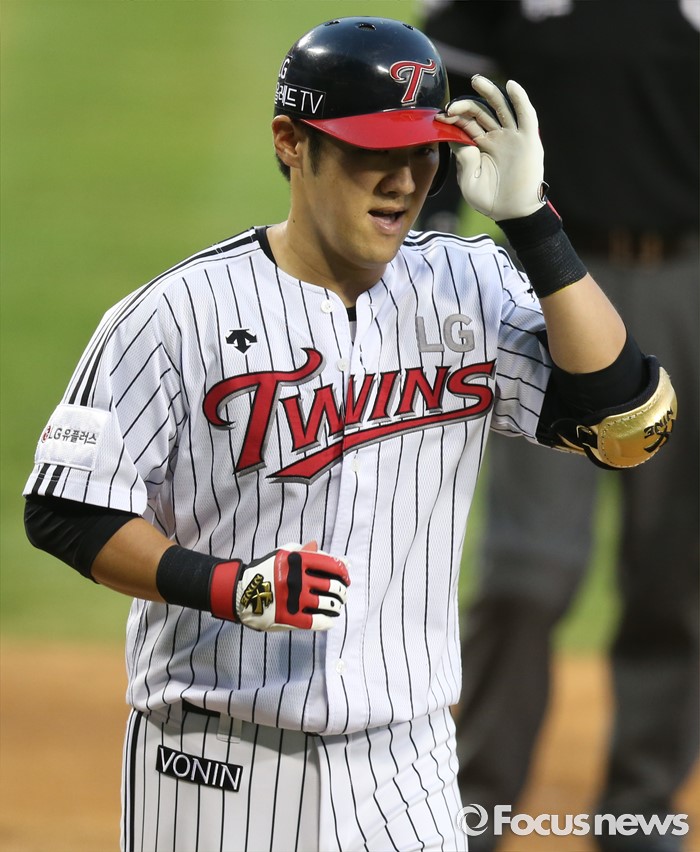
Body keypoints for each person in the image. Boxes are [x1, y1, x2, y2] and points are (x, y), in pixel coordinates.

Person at [22, 15, 678, 852]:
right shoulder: (176, 315)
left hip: (409, 766)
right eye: (375, 152)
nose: (405, 181)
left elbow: (624, 418)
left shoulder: (468, 285)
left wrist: (535, 226)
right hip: (215, 762)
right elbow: (67, 509)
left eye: (424, 152)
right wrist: (229, 587)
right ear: (292, 142)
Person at [418, 2, 700, 851]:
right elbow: (437, 81)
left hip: (690, 282)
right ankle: (473, 811)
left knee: (676, 576)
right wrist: (431, 240)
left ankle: (639, 813)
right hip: (550, 282)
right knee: (526, 572)